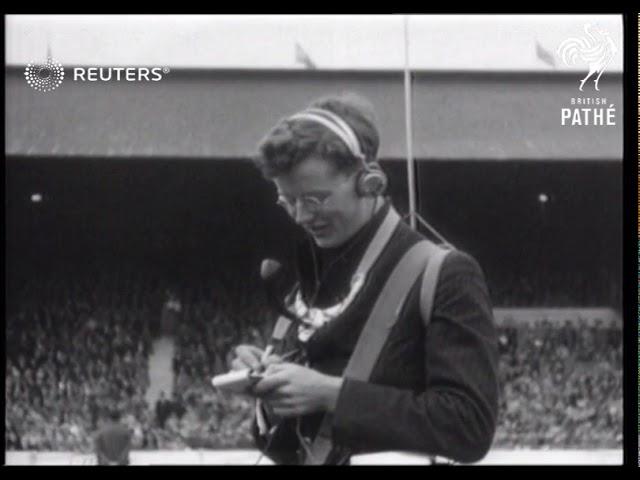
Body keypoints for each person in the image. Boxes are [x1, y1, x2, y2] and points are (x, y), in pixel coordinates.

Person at [231, 93, 499, 465]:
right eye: (287, 201)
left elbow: (470, 426)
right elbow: (287, 451)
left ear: (368, 180)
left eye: (314, 199)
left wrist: (329, 393)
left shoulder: (445, 273)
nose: (301, 217)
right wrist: (272, 395)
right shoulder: (304, 287)